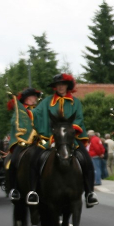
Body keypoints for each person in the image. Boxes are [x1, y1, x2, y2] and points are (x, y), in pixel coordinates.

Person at [26, 73, 99, 208]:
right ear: (55, 87)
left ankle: (89, 193)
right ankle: (33, 192)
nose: (60, 87)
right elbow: (37, 113)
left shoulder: (75, 102)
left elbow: (79, 119)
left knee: (87, 161)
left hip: (71, 138)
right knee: (34, 159)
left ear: (67, 86)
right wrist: (27, 110)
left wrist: (69, 131)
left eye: (63, 84)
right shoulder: (47, 101)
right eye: (58, 85)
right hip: (50, 137)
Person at [6, 87, 42, 201]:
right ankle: (14, 189)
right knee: (13, 161)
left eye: (36, 96)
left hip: (39, 141)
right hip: (23, 142)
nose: (35, 98)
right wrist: (27, 132)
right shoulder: (20, 111)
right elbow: (15, 123)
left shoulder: (39, 110)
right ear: (27, 98)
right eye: (33, 96)